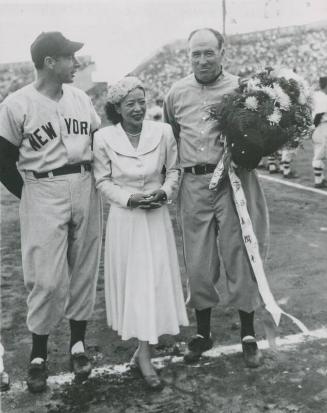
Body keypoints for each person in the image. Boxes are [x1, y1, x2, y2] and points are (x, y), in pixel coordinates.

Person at [0, 32, 102, 393]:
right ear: (49, 62)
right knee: (45, 277)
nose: (75, 63)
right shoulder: (16, 104)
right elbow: (3, 159)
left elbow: (98, 141)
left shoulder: (79, 98)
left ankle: (77, 344)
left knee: (84, 267)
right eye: (69, 58)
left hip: (84, 182)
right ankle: (38, 354)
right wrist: (28, 194)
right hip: (42, 187)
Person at [164, 28, 269, 367]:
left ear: (223, 51)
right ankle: (203, 333)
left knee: (239, 252)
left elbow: (259, 137)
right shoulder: (176, 92)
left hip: (233, 181)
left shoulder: (241, 89)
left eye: (209, 52)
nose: (202, 59)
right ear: (188, 55)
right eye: (196, 53)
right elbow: (172, 134)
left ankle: (248, 332)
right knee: (197, 260)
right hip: (194, 183)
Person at [93, 76, 188, 390]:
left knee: (155, 281)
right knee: (135, 283)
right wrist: (128, 198)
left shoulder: (163, 132)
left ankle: (144, 353)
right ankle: (143, 354)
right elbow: (102, 180)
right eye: (129, 104)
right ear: (117, 108)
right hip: (126, 221)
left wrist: (164, 192)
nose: (137, 109)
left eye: (140, 101)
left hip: (156, 219)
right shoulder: (105, 137)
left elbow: (174, 170)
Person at [311, 76, 327, 188]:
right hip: (321, 127)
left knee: (319, 153)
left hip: (319, 128)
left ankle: (320, 178)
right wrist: (313, 127)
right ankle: (318, 181)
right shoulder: (322, 97)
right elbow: (319, 115)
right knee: (319, 155)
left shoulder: (317, 95)